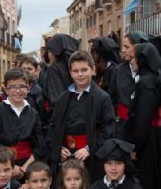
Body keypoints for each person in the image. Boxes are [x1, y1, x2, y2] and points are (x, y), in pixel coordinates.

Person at [47, 50, 115, 181]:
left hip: (90, 157)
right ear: (70, 73)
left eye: (84, 70)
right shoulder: (63, 98)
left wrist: (89, 149)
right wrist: (58, 147)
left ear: (93, 70)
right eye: (75, 71)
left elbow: (109, 129)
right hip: (66, 157)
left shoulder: (103, 98)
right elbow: (53, 127)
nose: (80, 74)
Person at [128, 43, 161, 189]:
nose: (131, 61)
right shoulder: (160, 76)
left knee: (148, 182)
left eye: (134, 57)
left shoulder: (145, 82)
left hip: (149, 138)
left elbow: (142, 117)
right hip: (158, 135)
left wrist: (136, 144)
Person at [0, 68, 44, 180]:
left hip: (28, 166)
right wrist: (11, 167)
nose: (17, 91)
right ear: (6, 89)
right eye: (12, 87)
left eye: (22, 86)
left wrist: (26, 167)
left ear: (28, 88)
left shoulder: (33, 113)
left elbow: (39, 145)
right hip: (3, 167)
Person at [44, 33, 80, 108]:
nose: (49, 54)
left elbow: (57, 99)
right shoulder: (77, 66)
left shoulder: (54, 68)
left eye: (51, 51)